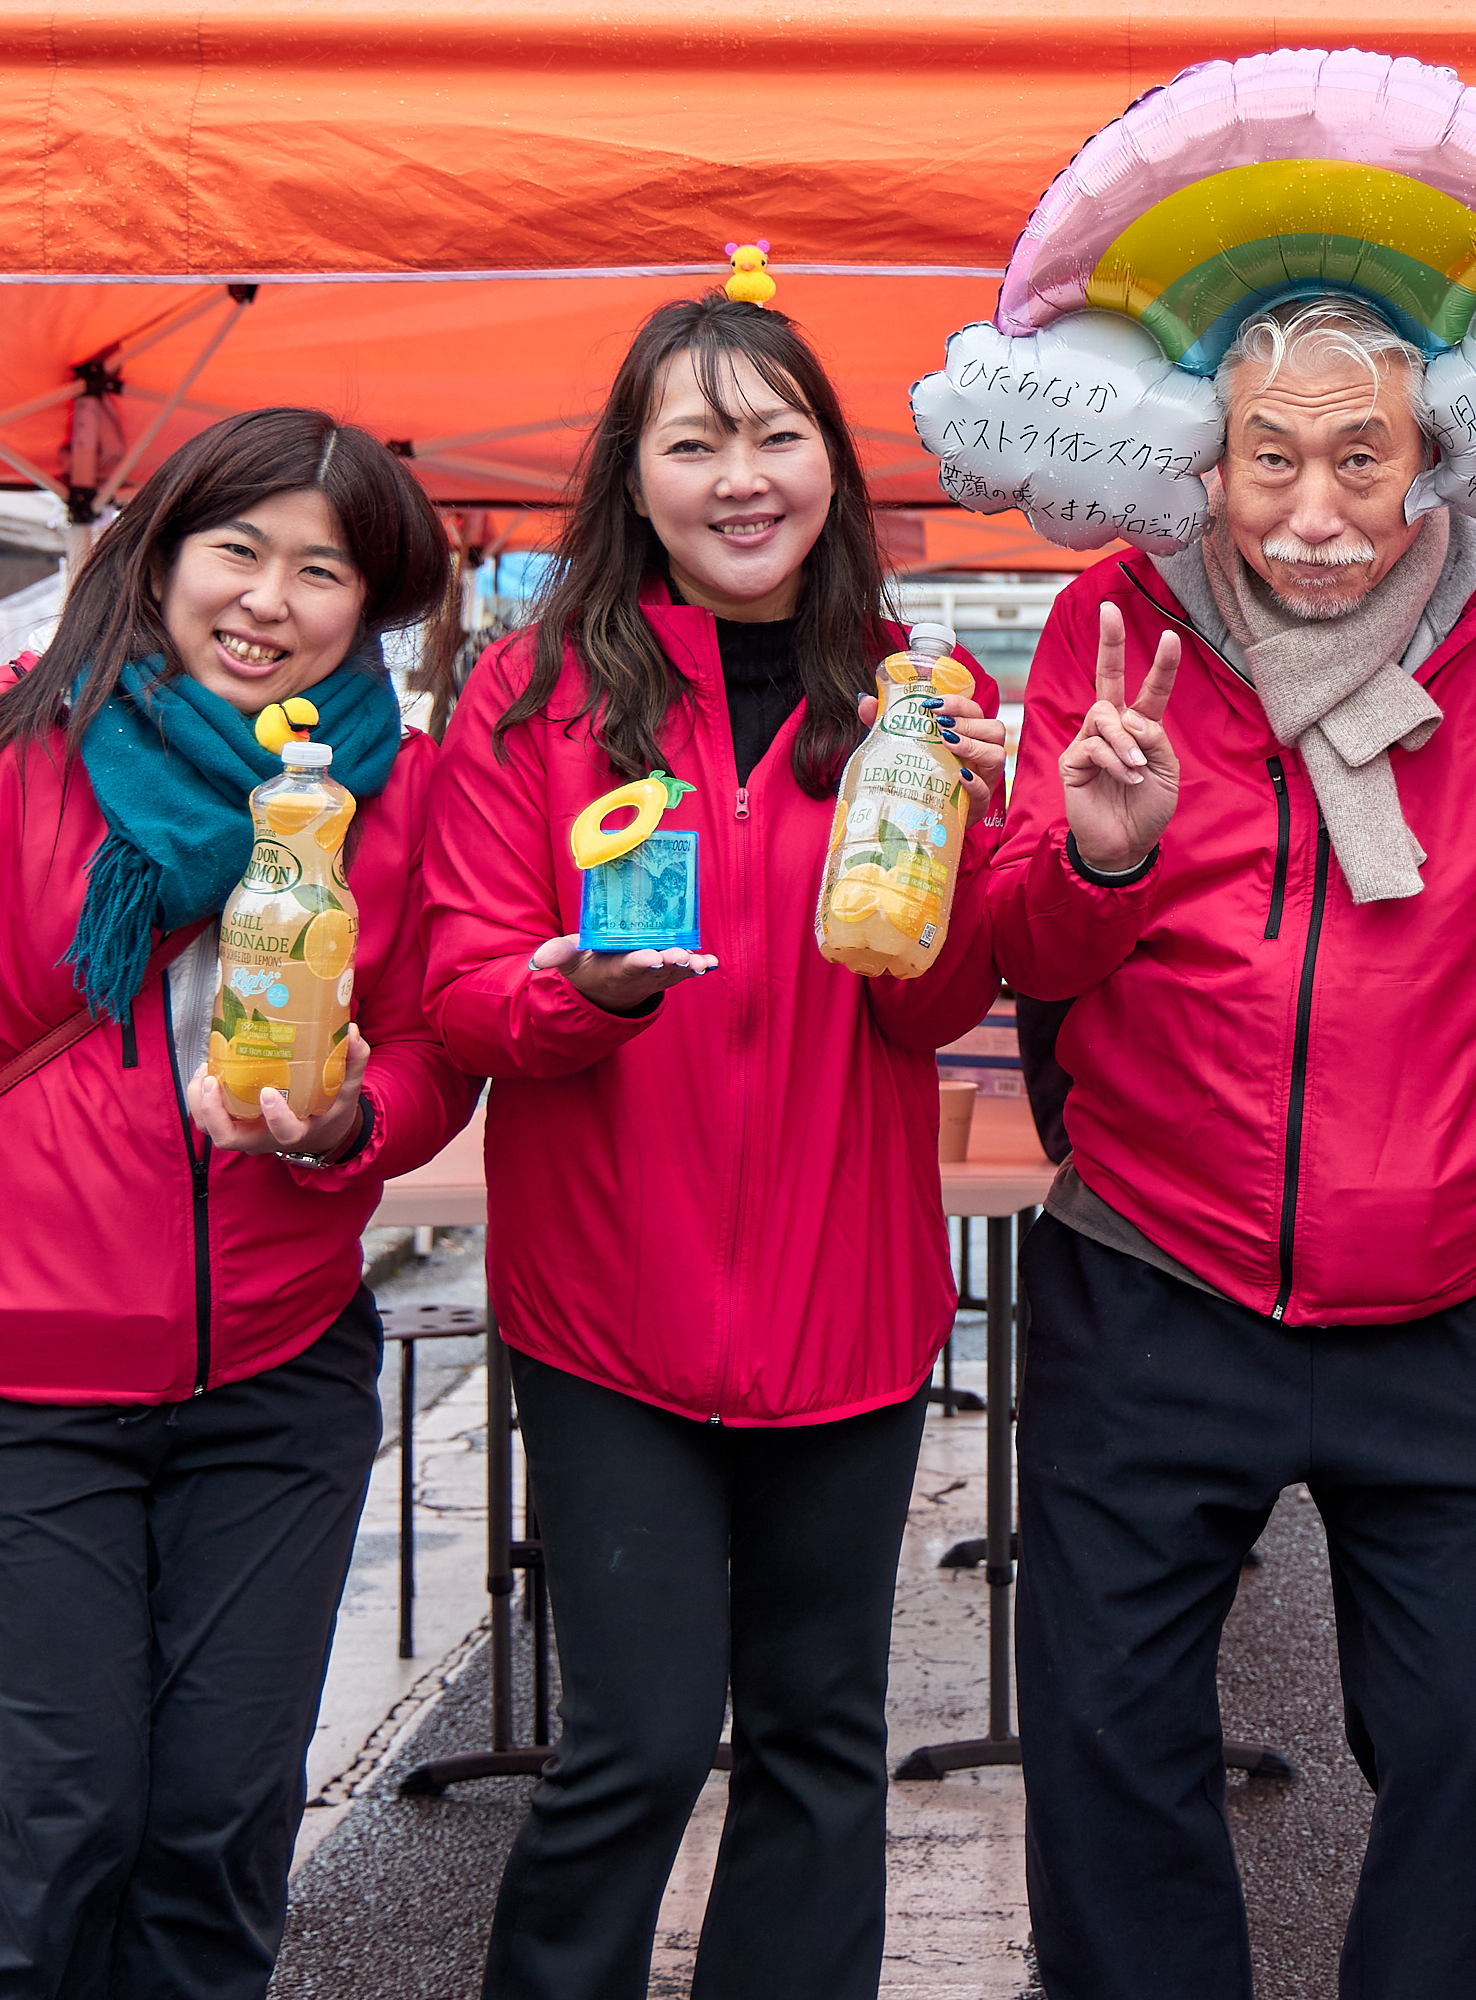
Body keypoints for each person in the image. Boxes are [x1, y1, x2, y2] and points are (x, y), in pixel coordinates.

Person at [989, 291, 1476, 1999]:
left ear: (1436, 460)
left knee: (1474, 1754)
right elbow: (1026, 954)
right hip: (1152, 1276)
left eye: (1364, 457)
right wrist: (1101, 857)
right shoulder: (1113, 625)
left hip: (1454, 1290)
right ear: (1207, 463)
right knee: (1108, 1751)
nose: (1315, 513)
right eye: (1270, 460)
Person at [0, 407, 475, 1997]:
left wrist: (355, 1120)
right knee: (37, 1840)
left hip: (278, 1383)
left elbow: (440, 1036)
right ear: (158, 553)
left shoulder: (396, 786)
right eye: (238, 548)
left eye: (323, 569)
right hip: (9, 1396)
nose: (270, 599)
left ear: (365, 606)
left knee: (216, 1836)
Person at [420, 293, 1007, 2000]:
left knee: (826, 1742)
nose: (741, 480)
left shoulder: (922, 693)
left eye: (776, 437)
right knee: (639, 1744)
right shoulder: (533, 697)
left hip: (852, 1312)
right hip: (612, 1313)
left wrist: (990, 855)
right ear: (636, 474)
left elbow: (934, 1010)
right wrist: (583, 996)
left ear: (832, 462)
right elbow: (461, 992)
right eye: (696, 442)